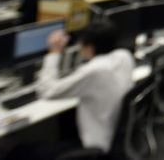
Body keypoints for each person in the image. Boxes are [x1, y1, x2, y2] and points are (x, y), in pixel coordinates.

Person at [37, 21, 135, 155]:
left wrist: (54, 52)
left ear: (89, 47)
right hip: (117, 135)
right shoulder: (124, 56)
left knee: (21, 151)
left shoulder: (94, 71)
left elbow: (47, 91)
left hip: (96, 144)